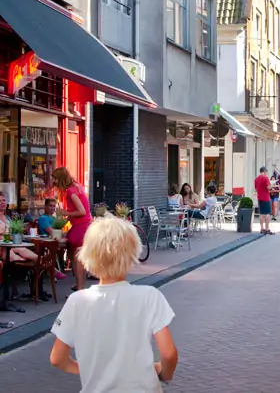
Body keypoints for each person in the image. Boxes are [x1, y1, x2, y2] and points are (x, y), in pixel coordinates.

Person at [50, 216, 178, 391]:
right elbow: (169, 353)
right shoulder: (150, 296)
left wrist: (90, 371)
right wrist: (164, 373)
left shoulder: (77, 301)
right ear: (133, 253)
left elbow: (57, 358)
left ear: (88, 256)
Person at [52, 167, 92, 291]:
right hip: (81, 225)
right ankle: (78, 283)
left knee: (77, 258)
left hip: (80, 226)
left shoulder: (71, 191)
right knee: (72, 252)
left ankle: (80, 287)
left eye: (55, 179)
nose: (54, 182)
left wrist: (65, 213)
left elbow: (82, 211)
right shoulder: (76, 186)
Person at [254, 167, 274, 235]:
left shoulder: (256, 179)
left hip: (259, 197)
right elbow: (268, 187)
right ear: (265, 171)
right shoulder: (265, 178)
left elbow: (256, 188)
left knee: (262, 213)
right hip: (266, 198)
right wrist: (272, 185)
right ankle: (267, 229)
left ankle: (262, 228)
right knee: (267, 213)